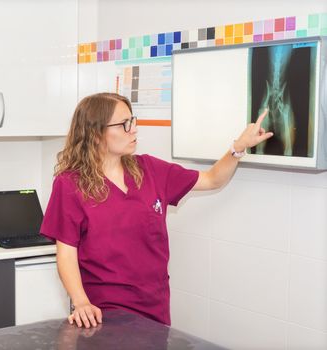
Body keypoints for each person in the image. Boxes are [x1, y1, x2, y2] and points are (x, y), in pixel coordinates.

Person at [40, 92, 272, 329]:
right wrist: (81, 303)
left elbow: (212, 179)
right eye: (124, 124)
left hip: (154, 306)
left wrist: (238, 147)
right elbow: (66, 254)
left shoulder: (150, 170)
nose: (134, 130)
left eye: (133, 121)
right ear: (96, 133)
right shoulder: (70, 184)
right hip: (102, 311)